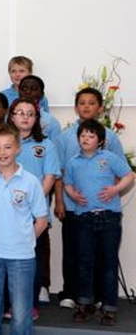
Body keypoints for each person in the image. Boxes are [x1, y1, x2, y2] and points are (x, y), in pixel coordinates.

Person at [53, 87, 126, 310]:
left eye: (91, 103)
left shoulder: (109, 136)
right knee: (74, 252)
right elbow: (59, 173)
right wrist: (59, 201)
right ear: (76, 108)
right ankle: (72, 293)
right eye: (82, 103)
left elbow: (119, 171)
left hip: (102, 209)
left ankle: (100, 296)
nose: (86, 106)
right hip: (74, 207)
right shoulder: (64, 137)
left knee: (102, 254)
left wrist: (111, 193)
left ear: (100, 108)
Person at [0, 124, 48, 335]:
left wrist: (25, 239)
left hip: (22, 257)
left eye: (7, 147)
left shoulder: (31, 182)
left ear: (18, 149)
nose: (2, 152)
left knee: (21, 314)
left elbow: (41, 220)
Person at [63, 119, 134, 326]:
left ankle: (109, 307)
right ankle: (85, 303)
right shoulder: (73, 161)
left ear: (100, 141)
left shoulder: (109, 158)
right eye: (83, 135)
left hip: (108, 217)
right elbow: (67, 184)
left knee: (108, 263)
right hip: (84, 217)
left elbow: (129, 175)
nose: (86, 139)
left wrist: (114, 189)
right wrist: (74, 196)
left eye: (91, 136)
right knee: (85, 262)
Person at [5, 98, 61, 320]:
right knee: (7, 260)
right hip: (6, 214)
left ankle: (30, 305)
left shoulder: (46, 145)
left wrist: (32, 203)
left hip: (33, 215)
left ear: (37, 118)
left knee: (32, 260)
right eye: (20, 113)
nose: (25, 117)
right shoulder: (0, 141)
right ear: (12, 116)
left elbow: (49, 178)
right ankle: (9, 305)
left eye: (30, 113)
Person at [17, 75, 61, 140]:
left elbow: (55, 147)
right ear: (18, 92)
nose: (28, 92)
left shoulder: (51, 121)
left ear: (42, 94)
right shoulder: (9, 118)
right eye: (24, 88)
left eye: (33, 89)